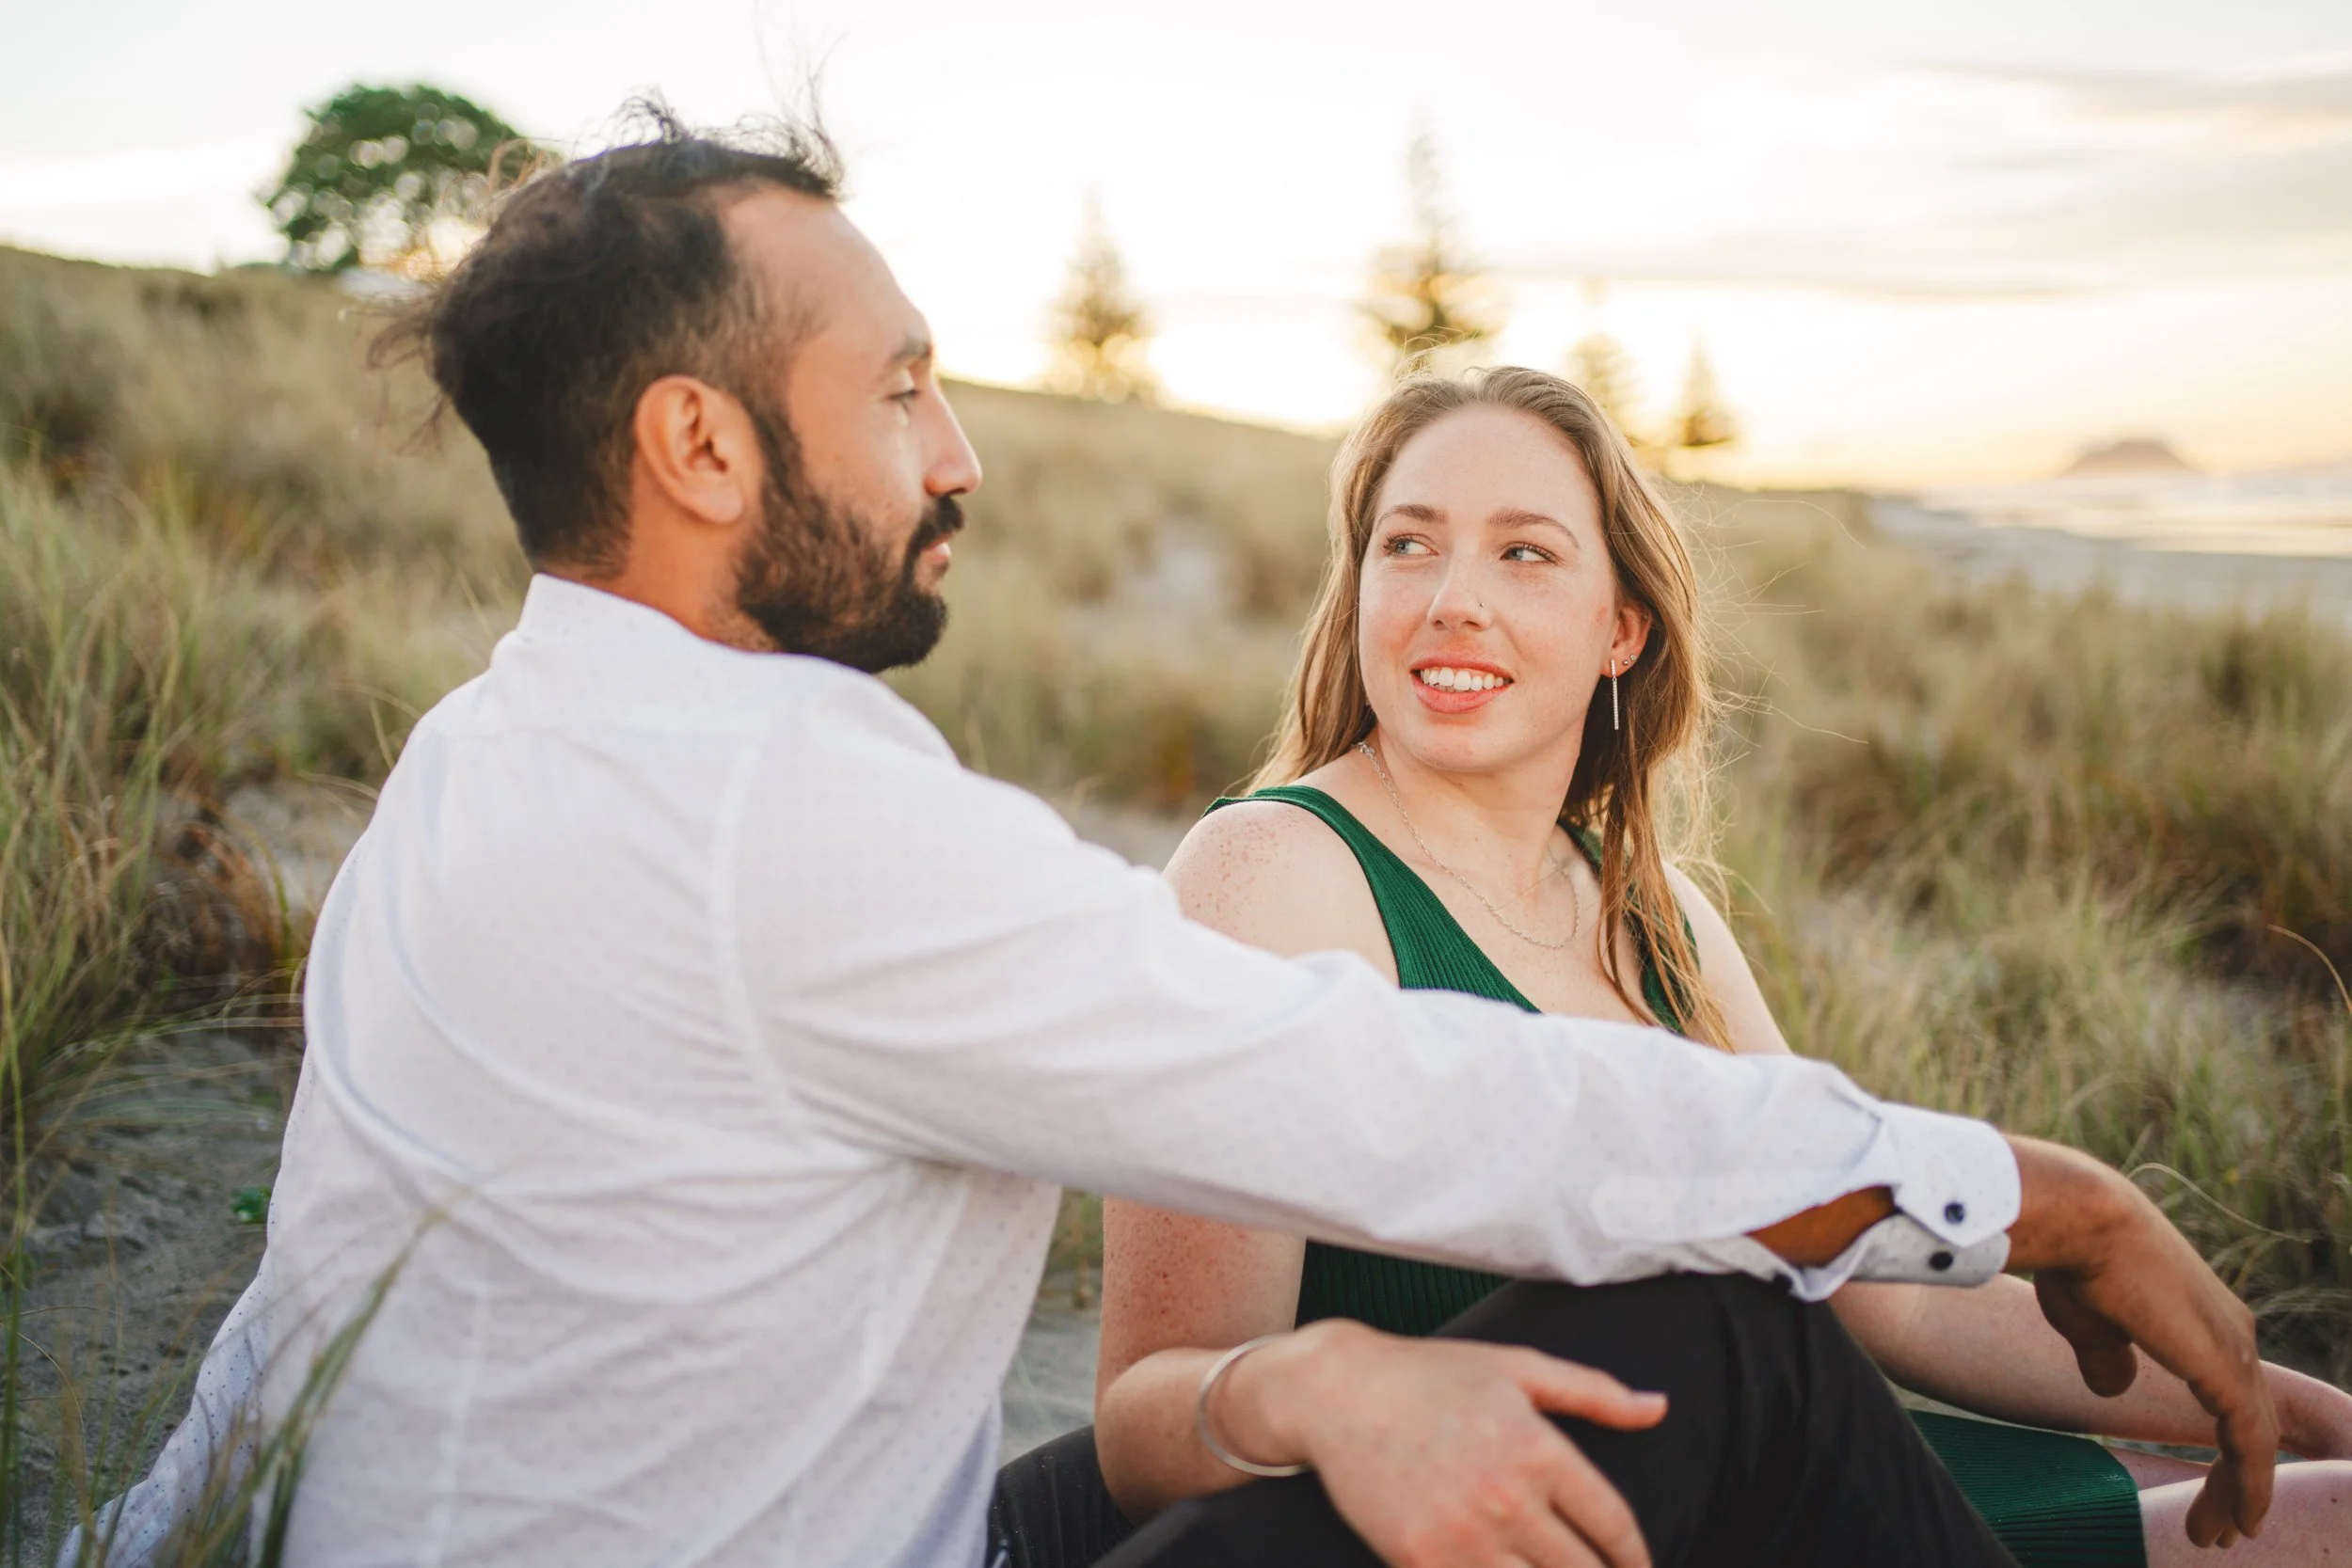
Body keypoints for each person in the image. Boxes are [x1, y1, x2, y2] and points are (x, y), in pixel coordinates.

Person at [85, 110, 2279, 1568]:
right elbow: (1402, 1094)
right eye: (902, 390)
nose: (960, 454)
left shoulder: (476, 758)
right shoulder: (796, 822)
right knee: (1726, 1352)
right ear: (699, 444)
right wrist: (2019, 1186)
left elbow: (299, 1320)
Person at [1076, 367, 2352, 1567]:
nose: (1451, 593)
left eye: (1523, 551)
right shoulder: (1269, 871)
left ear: (1620, 627)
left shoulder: (1662, 913)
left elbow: (1885, 1299)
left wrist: (2277, 1402)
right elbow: (1144, 1425)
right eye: (1407, 542)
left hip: (1790, 1466)